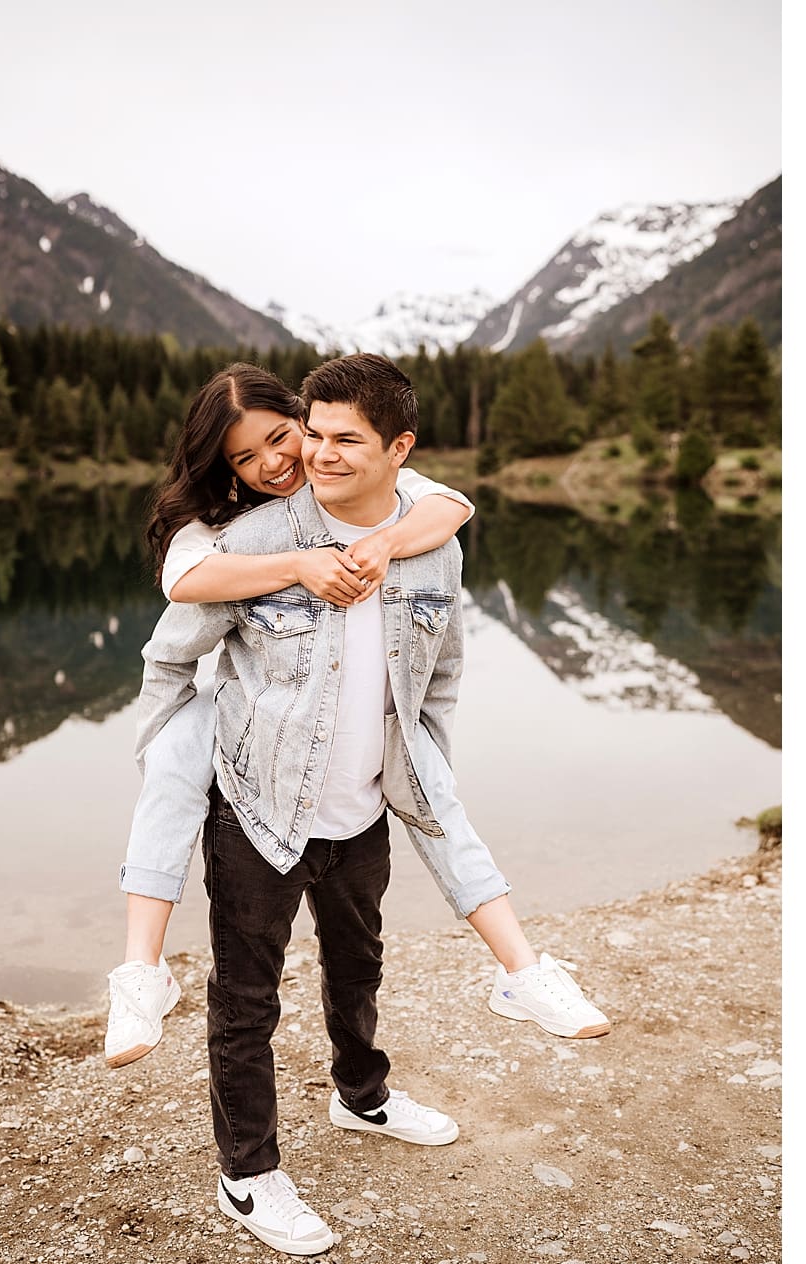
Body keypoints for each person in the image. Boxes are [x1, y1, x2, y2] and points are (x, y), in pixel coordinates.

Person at [105, 364, 607, 1072]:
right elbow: (181, 591)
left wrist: (387, 545)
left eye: (286, 437)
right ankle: (140, 971)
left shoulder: (411, 514)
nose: (279, 462)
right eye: (246, 457)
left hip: (369, 741)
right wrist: (302, 566)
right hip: (241, 727)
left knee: (436, 807)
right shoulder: (228, 527)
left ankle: (521, 974)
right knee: (172, 775)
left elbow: (448, 507)